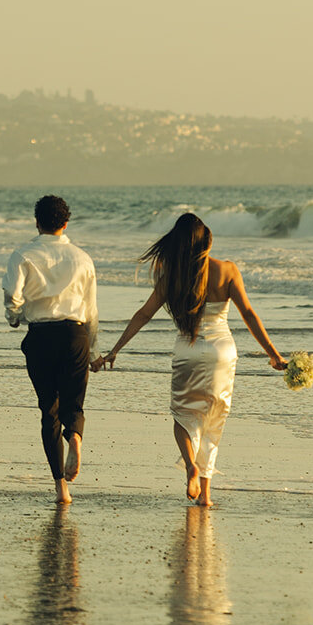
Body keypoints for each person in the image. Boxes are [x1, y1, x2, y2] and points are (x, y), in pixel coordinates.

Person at [97, 212, 285, 507]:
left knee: (185, 418)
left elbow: (144, 314)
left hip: (188, 352)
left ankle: (190, 467)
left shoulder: (171, 273)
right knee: (214, 421)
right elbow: (248, 313)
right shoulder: (228, 270)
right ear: (207, 241)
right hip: (223, 352)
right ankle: (206, 497)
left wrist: (115, 349)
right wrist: (273, 354)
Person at [3, 195, 100, 505]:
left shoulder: (23, 254)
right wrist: (94, 348)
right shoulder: (82, 258)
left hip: (41, 336)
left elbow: (12, 296)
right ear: (66, 224)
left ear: (37, 222)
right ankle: (75, 438)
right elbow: (92, 310)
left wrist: (15, 318)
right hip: (76, 335)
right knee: (74, 402)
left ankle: (61, 488)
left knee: (49, 410)